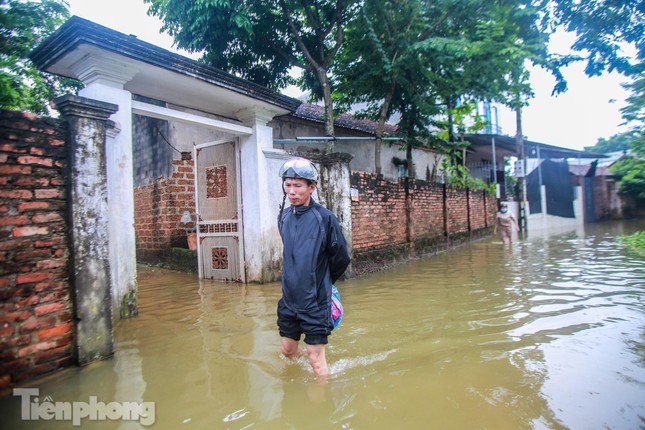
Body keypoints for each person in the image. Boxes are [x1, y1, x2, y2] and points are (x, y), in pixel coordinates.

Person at [276, 157, 351, 379]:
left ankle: (322, 408)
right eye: (288, 185)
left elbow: (341, 258)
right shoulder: (284, 216)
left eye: (298, 185)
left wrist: (322, 283)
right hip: (289, 300)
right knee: (287, 351)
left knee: (316, 361)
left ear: (311, 187)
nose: (292, 191)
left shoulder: (325, 218)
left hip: (315, 302)